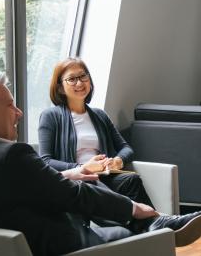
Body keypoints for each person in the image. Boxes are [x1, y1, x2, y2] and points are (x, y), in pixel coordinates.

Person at [0, 72, 201, 255]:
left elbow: (25, 193)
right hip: (64, 248)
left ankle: (158, 223)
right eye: (10, 105)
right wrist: (134, 207)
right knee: (123, 224)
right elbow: (69, 195)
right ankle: (157, 223)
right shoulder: (10, 156)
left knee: (92, 186)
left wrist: (71, 175)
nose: (18, 112)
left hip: (22, 245)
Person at [38, 57, 152, 206]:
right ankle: (159, 223)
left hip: (103, 176)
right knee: (103, 189)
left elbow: (126, 148)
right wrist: (83, 167)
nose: (79, 83)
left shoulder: (100, 115)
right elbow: (45, 161)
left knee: (131, 180)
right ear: (60, 88)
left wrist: (117, 161)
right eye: (71, 79)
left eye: (83, 76)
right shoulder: (50, 116)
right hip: (77, 179)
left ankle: (154, 222)